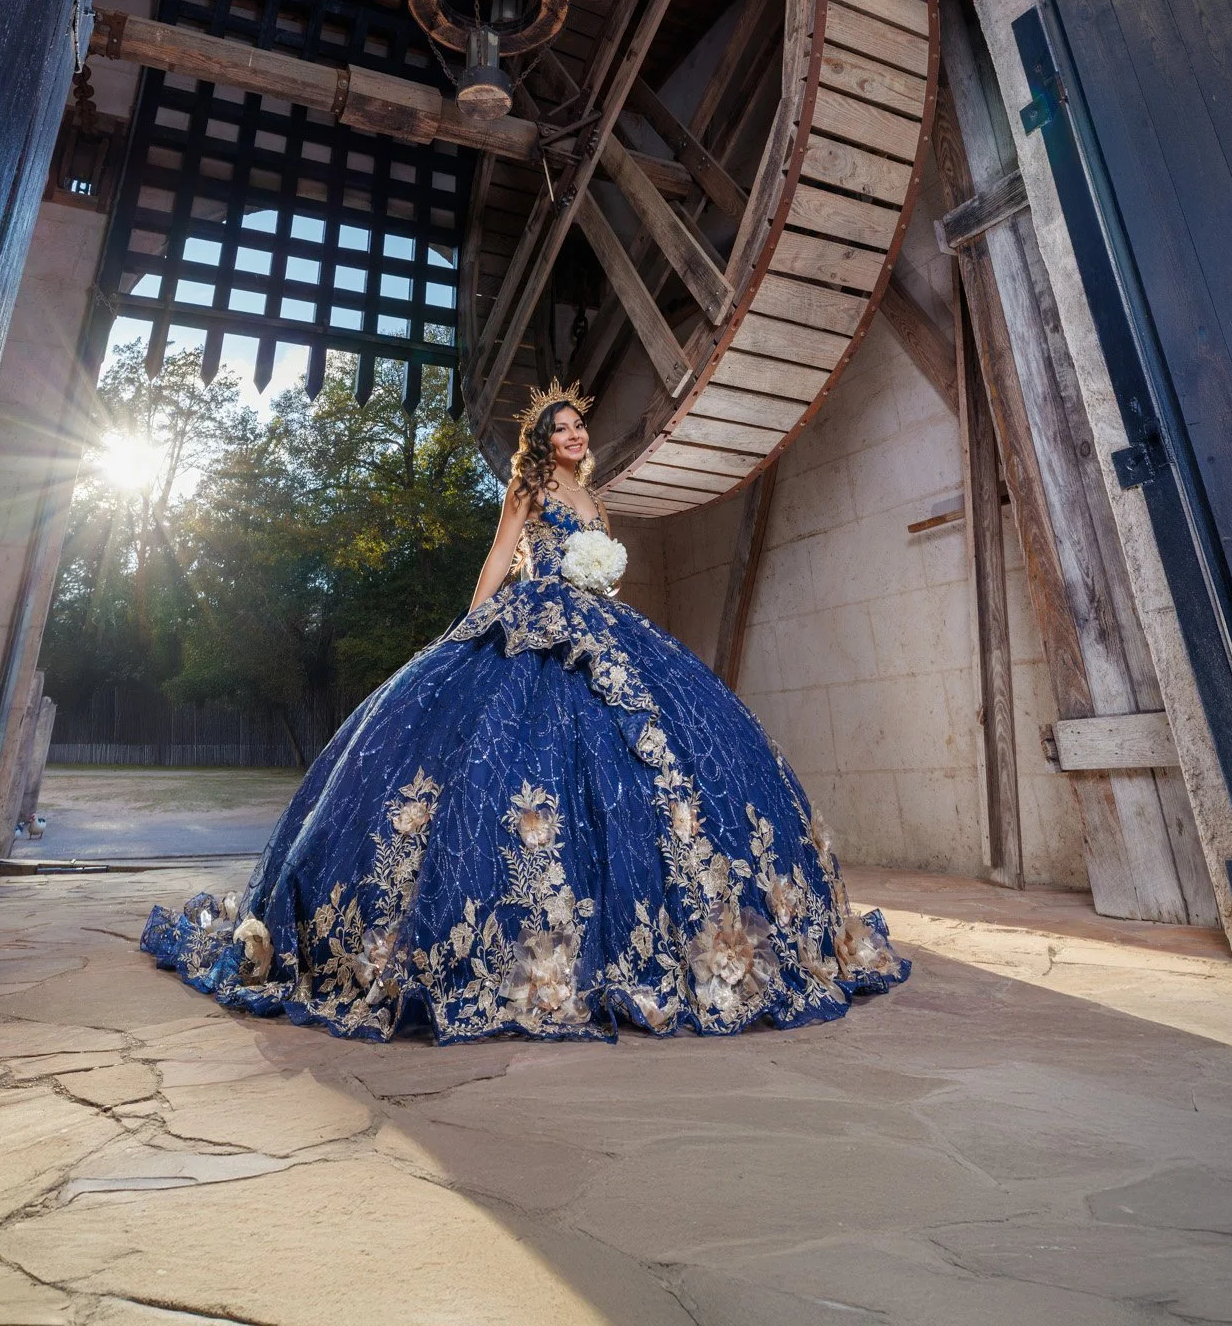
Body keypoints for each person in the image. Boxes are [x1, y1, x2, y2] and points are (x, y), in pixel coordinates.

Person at [141, 380, 908, 1040]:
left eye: (578, 427)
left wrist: (606, 592)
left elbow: (601, 574)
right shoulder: (531, 491)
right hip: (536, 619)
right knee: (514, 758)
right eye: (561, 429)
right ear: (542, 445)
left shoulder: (595, 498)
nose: (574, 436)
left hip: (601, 624)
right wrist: (469, 628)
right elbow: (501, 554)